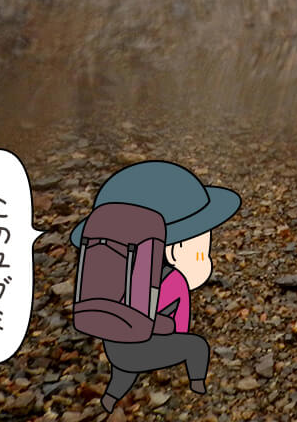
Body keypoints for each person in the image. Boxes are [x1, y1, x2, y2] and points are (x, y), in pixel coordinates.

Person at [68, 161, 241, 417]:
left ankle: (109, 399)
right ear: (175, 248)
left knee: (124, 373)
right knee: (196, 347)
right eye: (202, 249)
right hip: (141, 343)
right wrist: (166, 329)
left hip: (114, 344)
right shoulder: (175, 281)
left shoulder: (119, 266)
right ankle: (198, 387)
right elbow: (180, 325)